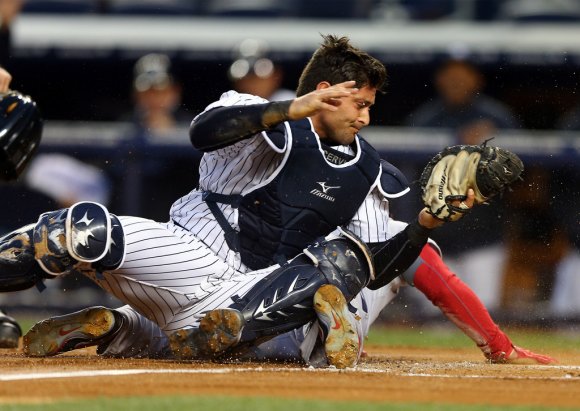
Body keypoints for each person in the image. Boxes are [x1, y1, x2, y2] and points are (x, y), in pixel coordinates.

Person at [21, 36, 553, 367]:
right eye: (358, 104)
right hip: (217, 271)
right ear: (325, 91)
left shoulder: (367, 172)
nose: (365, 117)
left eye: (370, 106)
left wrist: (423, 221)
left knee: (316, 281)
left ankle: (123, 327)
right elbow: (204, 131)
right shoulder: (271, 122)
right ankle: (129, 325)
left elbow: (403, 261)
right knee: (87, 232)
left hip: (250, 288)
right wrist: (288, 107)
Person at [406, 58, 520, 146]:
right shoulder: (424, 117)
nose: (456, 84)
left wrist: (494, 136)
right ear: (439, 80)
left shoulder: (497, 115)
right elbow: (407, 159)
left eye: (462, 78)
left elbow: (522, 159)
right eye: (451, 78)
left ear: (477, 80)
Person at [228, 39, 295, 102]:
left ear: (276, 75)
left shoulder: (290, 101)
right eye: (248, 78)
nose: (253, 84)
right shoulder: (231, 103)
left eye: (259, 78)